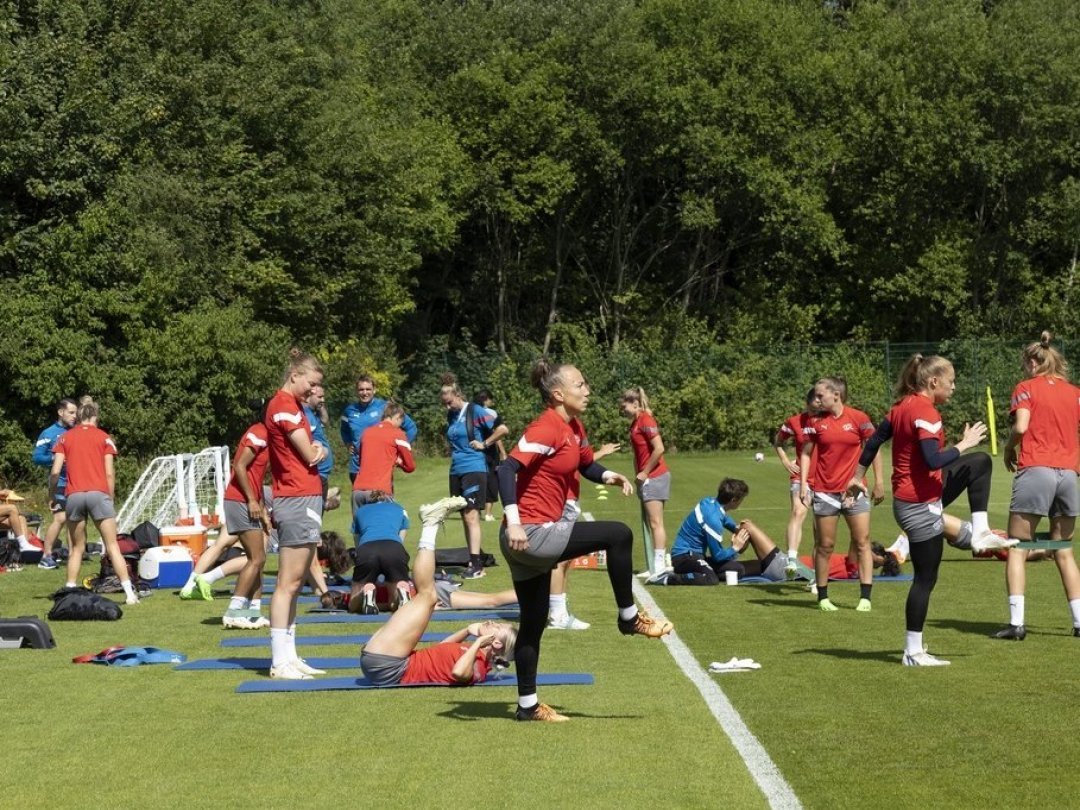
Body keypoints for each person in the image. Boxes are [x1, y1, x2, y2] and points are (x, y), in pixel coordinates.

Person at [498, 359, 673, 723]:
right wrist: (515, 523)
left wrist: (609, 475)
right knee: (618, 534)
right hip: (528, 534)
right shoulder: (545, 427)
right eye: (580, 385)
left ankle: (527, 706)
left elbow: (585, 464)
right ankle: (628, 619)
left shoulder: (573, 425)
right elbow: (506, 468)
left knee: (533, 621)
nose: (587, 389)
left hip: (529, 538)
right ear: (558, 394)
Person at [848, 353, 1016, 666]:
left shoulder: (902, 406)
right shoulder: (925, 411)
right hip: (918, 506)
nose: (954, 387)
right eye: (950, 382)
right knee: (926, 578)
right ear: (933, 381)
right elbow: (932, 460)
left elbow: (873, 443)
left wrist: (858, 475)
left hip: (921, 496)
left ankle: (980, 533)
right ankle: (912, 652)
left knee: (979, 464)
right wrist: (964, 443)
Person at [360, 495, 517, 687]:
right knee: (428, 597)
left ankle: (431, 523)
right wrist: (467, 631)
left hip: (388, 665)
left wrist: (477, 643)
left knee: (428, 596)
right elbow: (442, 648)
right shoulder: (472, 654)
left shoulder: (478, 668)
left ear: (497, 643)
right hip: (387, 658)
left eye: (498, 628)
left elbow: (459, 673)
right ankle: (431, 523)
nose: (493, 622)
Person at [993, 333, 1080, 641]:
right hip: (1069, 474)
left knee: (1017, 547)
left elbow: (1021, 426)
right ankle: (1079, 622)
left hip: (1037, 469)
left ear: (1032, 362)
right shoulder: (1074, 392)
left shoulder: (1026, 388)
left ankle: (1016, 624)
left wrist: (1008, 448)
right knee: (1064, 550)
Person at [264, 349, 330, 680]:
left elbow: (315, 449)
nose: (313, 391)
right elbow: (310, 453)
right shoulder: (284, 406)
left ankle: (289, 655)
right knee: (287, 584)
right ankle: (279, 661)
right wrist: (320, 449)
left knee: (295, 584)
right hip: (295, 497)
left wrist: (320, 448)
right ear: (295, 375)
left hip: (303, 497)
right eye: (311, 383)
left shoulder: (293, 407)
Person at [799, 377, 884, 612]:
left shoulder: (859, 418)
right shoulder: (815, 422)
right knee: (825, 545)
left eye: (820, 396)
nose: (816, 400)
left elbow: (874, 448)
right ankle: (823, 597)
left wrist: (879, 481)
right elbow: (806, 453)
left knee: (862, 542)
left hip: (855, 491)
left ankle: (865, 597)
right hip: (825, 493)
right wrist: (805, 484)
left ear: (835, 395)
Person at [49, 398, 140, 605]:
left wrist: (53, 495)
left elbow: (55, 472)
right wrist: (110, 496)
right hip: (99, 494)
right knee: (112, 546)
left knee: (77, 548)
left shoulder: (64, 438)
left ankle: (69, 591)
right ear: (95, 416)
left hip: (74, 495)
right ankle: (129, 594)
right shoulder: (104, 438)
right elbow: (109, 473)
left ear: (79, 416)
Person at [439, 373, 509, 579]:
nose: (447, 407)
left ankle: (477, 565)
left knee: (471, 516)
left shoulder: (475, 410)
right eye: (444, 403)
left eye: (449, 402)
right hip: (456, 470)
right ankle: (473, 559)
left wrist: (485, 443)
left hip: (474, 468)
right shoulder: (451, 414)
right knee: (464, 516)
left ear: (458, 395)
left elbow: (503, 428)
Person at [670, 478, 790, 583]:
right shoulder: (713, 521)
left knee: (738, 569)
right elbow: (717, 556)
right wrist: (735, 548)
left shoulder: (709, 502)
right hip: (684, 558)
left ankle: (707, 570)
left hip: (693, 556)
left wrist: (736, 529)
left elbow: (725, 519)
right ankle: (670, 578)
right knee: (710, 579)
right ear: (733, 500)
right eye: (741, 499)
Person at [214, 420, 272, 629]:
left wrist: (263, 510)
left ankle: (253, 613)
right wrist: (251, 501)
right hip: (239, 500)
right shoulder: (259, 431)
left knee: (259, 560)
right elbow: (238, 465)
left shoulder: (270, 436)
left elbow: (258, 479)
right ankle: (234, 611)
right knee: (256, 559)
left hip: (249, 501)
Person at [620, 387, 671, 576]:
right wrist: (639, 475)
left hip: (656, 476)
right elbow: (638, 454)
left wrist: (645, 473)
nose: (622, 410)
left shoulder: (646, 420)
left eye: (624, 406)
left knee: (656, 522)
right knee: (650, 522)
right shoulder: (635, 423)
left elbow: (659, 449)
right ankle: (653, 565)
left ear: (635, 404)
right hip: (646, 478)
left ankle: (659, 567)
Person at [773, 388, 820, 577]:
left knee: (820, 529)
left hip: (826, 480)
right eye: (814, 406)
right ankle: (791, 559)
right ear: (807, 404)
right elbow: (778, 442)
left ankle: (817, 576)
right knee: (798, 511)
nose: (818, 410)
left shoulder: (829, 421)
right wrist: (785, 461)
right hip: (801, 477)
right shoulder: (794, 422)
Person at [340, 375, 417, 485]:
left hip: (380, 467)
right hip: (357, 467)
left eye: (368, 389)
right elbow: (344, 430)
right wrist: (348, 443)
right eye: (361, 389)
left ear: (374, 390)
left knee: (382, 501)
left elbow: (411, 428)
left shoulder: (385, 407)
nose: (365, 392)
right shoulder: (349, 411)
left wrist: (399, 449)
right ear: (356, 391)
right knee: (360, 500)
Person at [348, 491, 413, 615]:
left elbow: (358, 543)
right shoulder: (399, 509)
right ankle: (401, 591)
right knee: (393, 604)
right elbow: (401, 539)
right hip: (393, 548)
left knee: (353, 606)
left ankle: (366, 592)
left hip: (367, 549)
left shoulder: (360, 512)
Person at [32, 398, 78, 569]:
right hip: (59, 482)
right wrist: (56, 458)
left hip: (76, 482)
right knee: (60, 518)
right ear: (61, 412)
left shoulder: (76, 432)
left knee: (73, 519)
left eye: (76, 413)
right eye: (71, 412)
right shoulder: (49, 433)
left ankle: (73, 555)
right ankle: (46, 555)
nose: (74, 416)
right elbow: (36, 457)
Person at [351, 400, 415, 509]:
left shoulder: (366, 432)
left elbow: (360, 459)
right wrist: (399, 463)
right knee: (381, 525)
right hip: (380, 491)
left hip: (358, 491)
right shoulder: (398, 434)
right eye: (401, 422)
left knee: (360, 525)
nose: (400, 426)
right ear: (398, 417)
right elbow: (410, 466)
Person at [473, 390, 508, 523]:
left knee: (477, 480)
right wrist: (503, 452)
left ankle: (475, 510)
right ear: (486, 399)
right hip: (489, 449)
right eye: (491, 399)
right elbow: (497, 434)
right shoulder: (491, 413)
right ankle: (488, 514)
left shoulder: (470, 412)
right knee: (492, 480)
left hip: (475, 449)